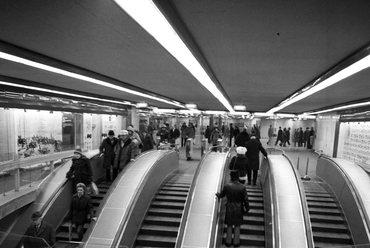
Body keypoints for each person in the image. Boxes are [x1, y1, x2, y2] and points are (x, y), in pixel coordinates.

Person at [215, 170, 249, 247]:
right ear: (238, 177)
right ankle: (236, 242)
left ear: (231, 176)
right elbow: (245, 199)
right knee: (237, 225)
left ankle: (228, 242)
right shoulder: (242, 187)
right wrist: (247, 208)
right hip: (239, 208)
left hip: (229, 207)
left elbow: (222, 195)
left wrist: (218, 194)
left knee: (229, 225)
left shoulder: (227, 186)